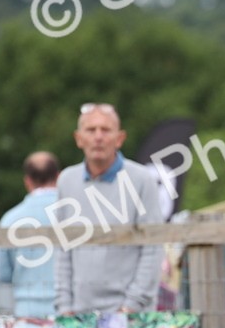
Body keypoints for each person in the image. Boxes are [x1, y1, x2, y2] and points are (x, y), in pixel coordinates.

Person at [54, 103, 164, 315]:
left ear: (119, 138)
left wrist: (131, 306)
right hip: (78, 314)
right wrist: (64, 307)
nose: (98, 137)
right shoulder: (66, 181)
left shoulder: (142, 179)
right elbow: (62, 249)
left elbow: (153, 247)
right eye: (91, 130)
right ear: (78, 138)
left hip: (131, 313)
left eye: (105, 130)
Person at [0, 151, 59, 318]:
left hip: (27, 311)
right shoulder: (74, 214)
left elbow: (2, 273)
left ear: (28, 181)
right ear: (58, 176)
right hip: (68, 309)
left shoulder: (10, 219)